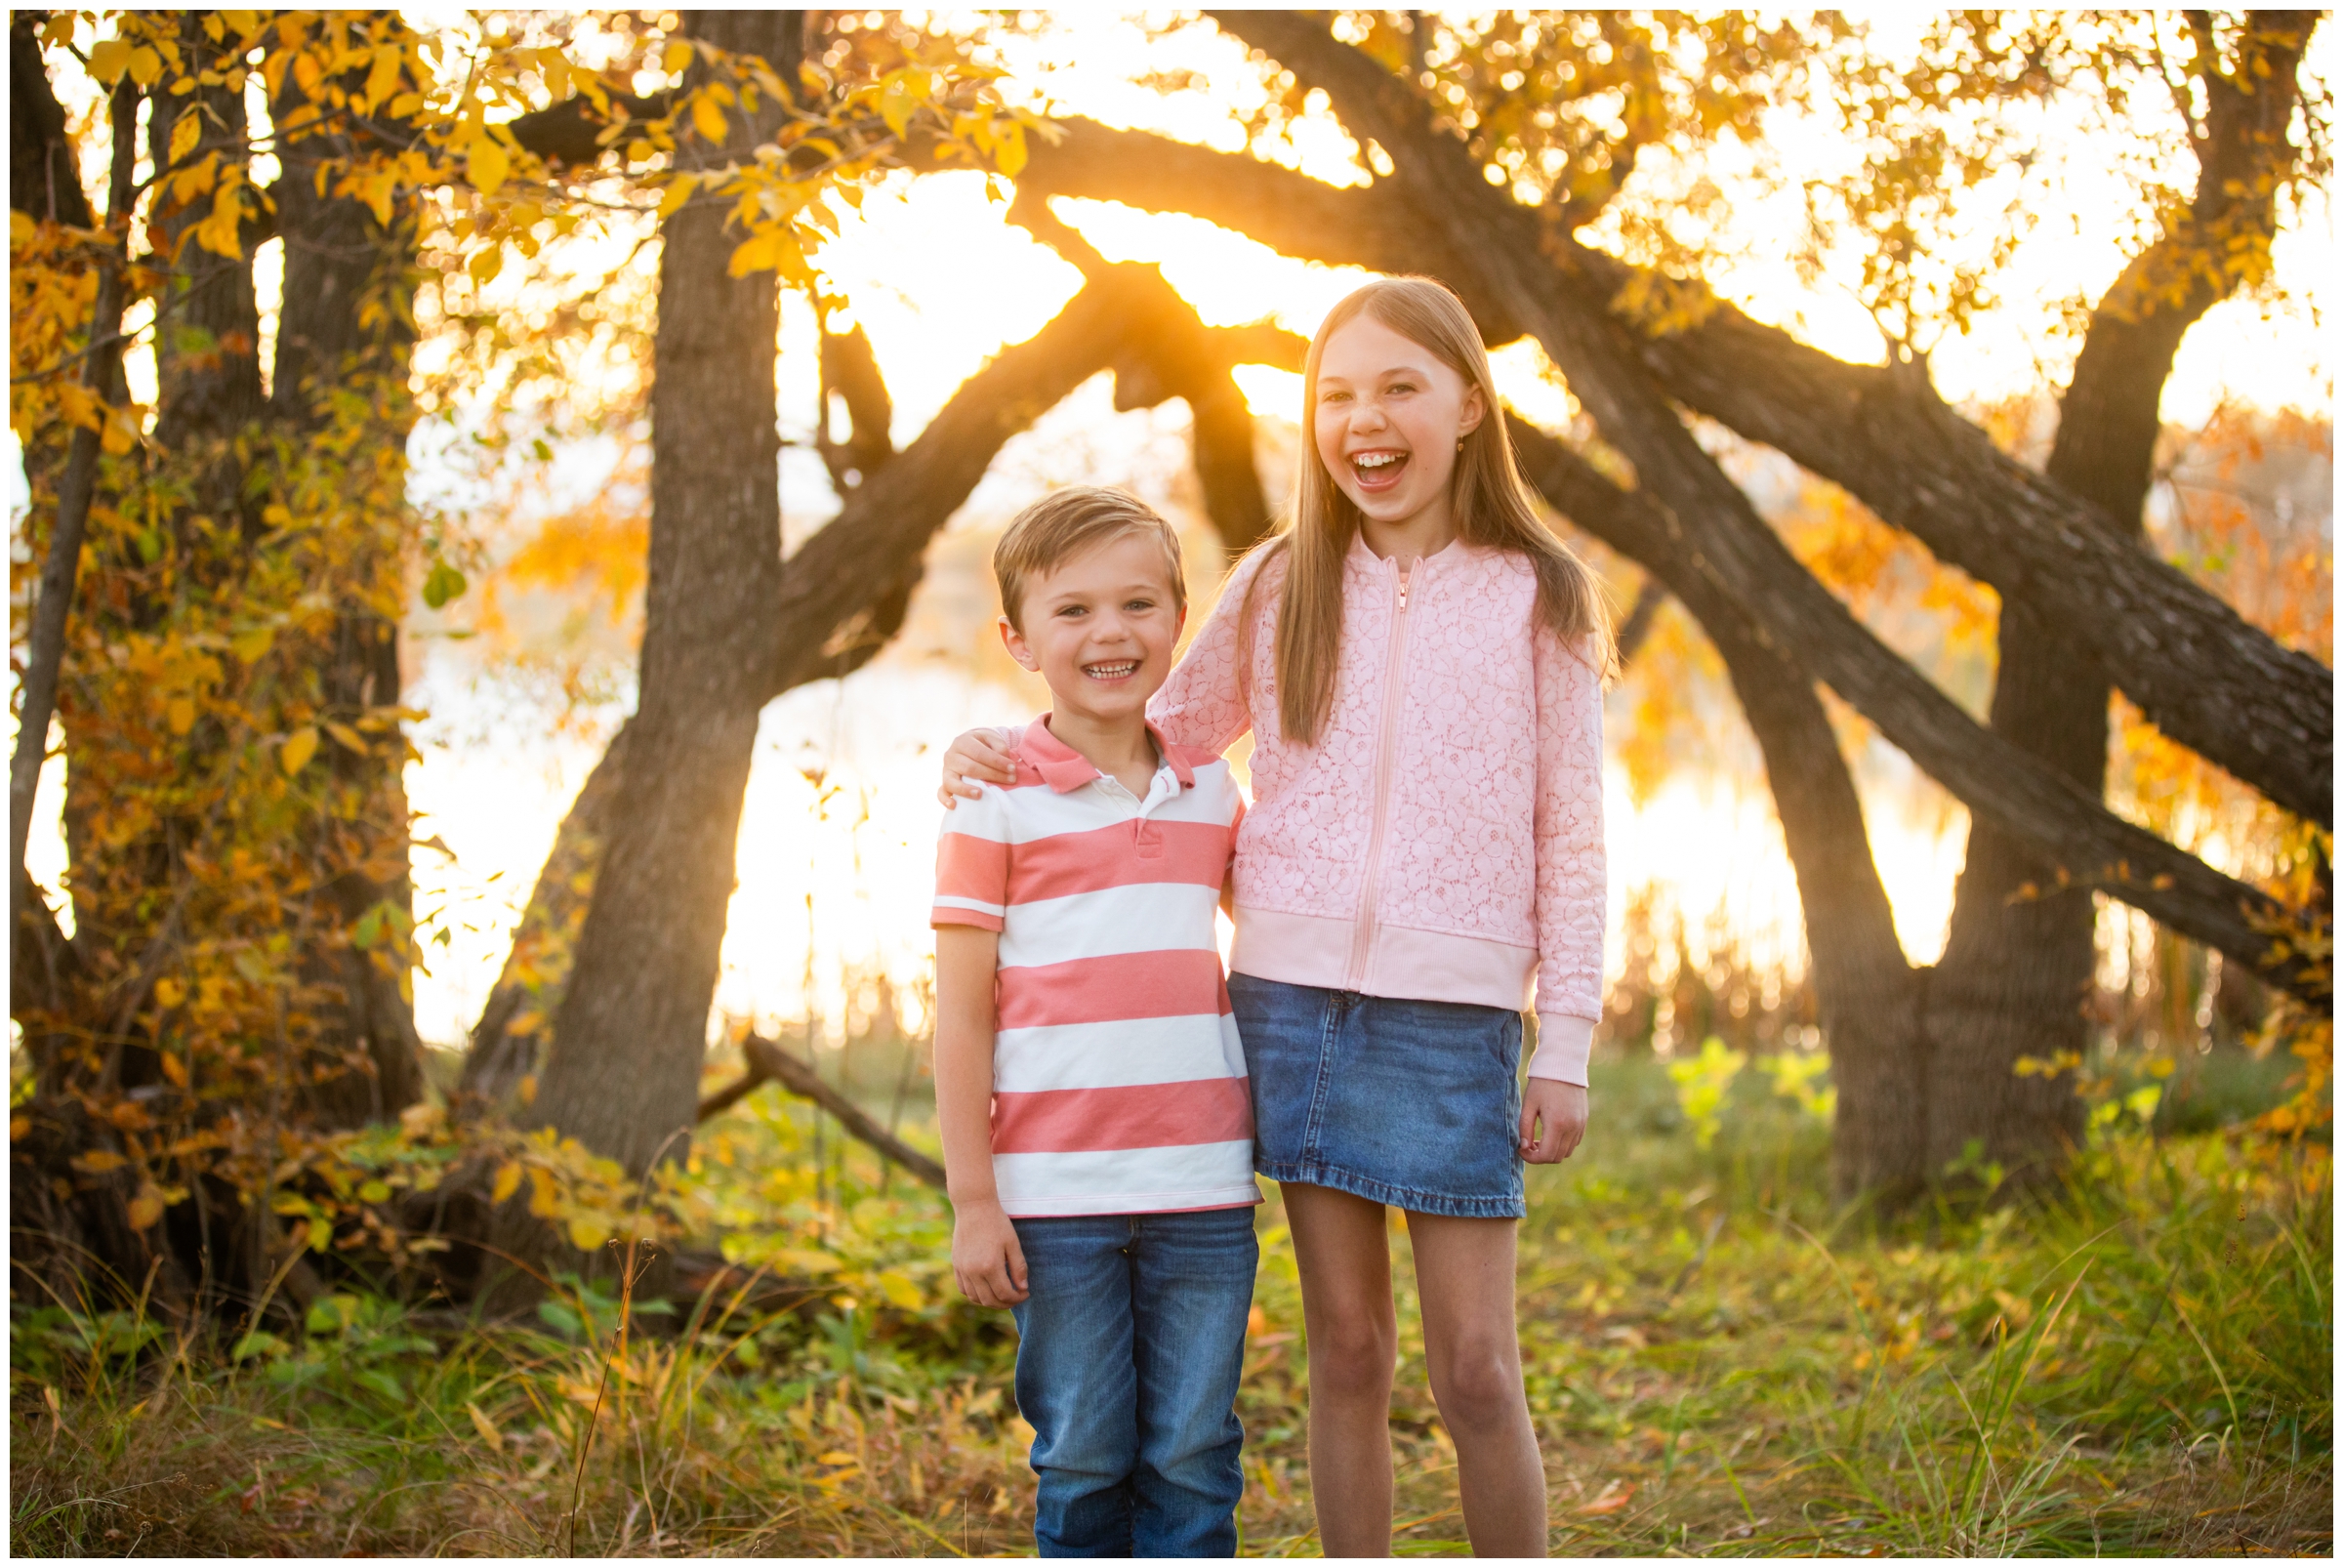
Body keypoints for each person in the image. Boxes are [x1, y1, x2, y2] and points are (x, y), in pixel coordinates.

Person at [941, 276, 1611, 1556]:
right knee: (1346, 1348)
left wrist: (1564, 1037)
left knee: (1476, 1366)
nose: (1365, 418)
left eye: (1399, 387)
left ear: (1469, 404)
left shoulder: (1542, 595)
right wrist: (999, 750)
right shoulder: (1281, 580)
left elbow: (1571, 832)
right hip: (1293, 1010)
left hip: (1457, 1018)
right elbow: (1149, 737)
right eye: (1337, 393)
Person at [930, 485, 1261, 1557]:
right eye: (1072, 612)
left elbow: (1286, 921)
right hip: (1054, 1199)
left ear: (1178, 618)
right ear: (1018, 640)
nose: (1109, 633)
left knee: (1193, 1456)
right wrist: (974, 1199)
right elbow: (959, 1015)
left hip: (1206, 1188)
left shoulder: (1214, 787)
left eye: (1136, 605)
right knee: (1081, 1456)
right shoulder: (995, 798)